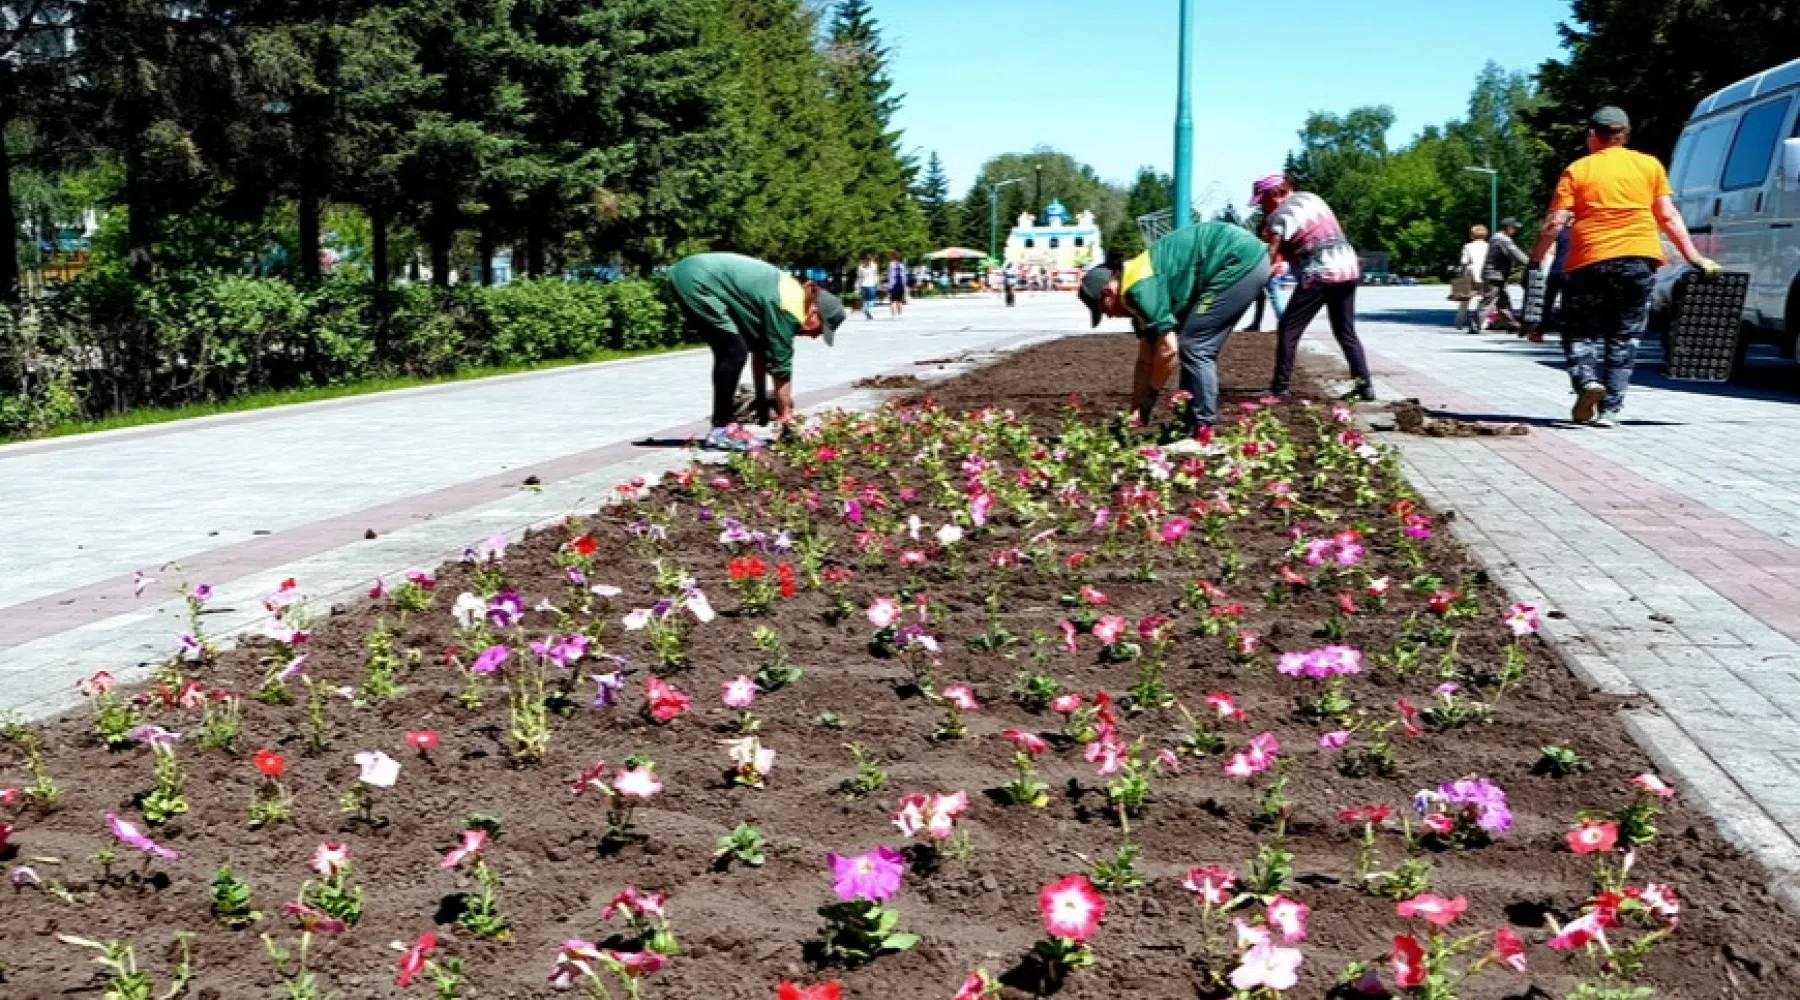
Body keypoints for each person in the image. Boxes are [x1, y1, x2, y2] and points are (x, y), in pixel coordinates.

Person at [1528, 106, 1719, 427]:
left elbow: (1555, 222)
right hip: (1638, 260)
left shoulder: (1577, 169)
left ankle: (1587, 382)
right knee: (1625, 335)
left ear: (1591, 135)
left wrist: (1536, 260)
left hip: (1588, 261)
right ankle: (1611, 410)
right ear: (1625, 135)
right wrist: (1695, 257)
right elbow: (1668, 216)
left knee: (1579, 331)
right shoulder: (1649, 166)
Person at [1077, 220, 1271, 439]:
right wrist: (1137, 410)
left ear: (1108, 292)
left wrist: (1150, 397)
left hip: (1238, 261)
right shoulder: (1135, 289)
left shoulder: (1139, 289)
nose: (1110, 316)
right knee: (1193, 343)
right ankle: (1189, 425)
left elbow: (1169, 351)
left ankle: (1203, 433)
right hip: (1241, 259)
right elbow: (1145, 360)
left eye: (1104, 310)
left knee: (1196, 347)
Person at [667, 252, 847, 451]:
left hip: (695, 273)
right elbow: (781, 370)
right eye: (819, 330)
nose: (814, 336)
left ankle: (723, 424)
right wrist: (786, 417)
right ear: (814, 312)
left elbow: (761, 355)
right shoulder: (789, 308)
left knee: (734, 350)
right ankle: (721, 429)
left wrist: (761, 404)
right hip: (698, 280)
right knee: (733, 352)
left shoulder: (790, 297)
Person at [1252, 173, 1373, 401]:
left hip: (1321, 272)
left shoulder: (1281, 214)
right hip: (1348, 267)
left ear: (1275, 194)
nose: (1262, 208)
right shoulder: (1312, 198)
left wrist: (1256, 274)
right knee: (1345, 331)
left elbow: (1270, 253)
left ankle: (1280, 388)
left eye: (1262, 201)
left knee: (1289, 328)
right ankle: (1364, 386)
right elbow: (1307, 239)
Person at [1476, 218, 1529, 332]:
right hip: (1494, 274)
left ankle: (1512, 324)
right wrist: (1531, 263)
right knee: (1490, 300)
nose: (1515, 230)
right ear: (1508, 228)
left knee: (1503, 300)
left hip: (1497, 274)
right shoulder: (1502, 239)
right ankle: (1476, 324)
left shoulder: (1499, 238)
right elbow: (1516, 253)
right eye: (1514, 227)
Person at [1453, 224, 1489, 332]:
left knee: (1465, 299)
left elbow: (1464, 261)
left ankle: (1459, 321)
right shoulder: (1489, 246)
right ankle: (1482, 322)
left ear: (1472, 235)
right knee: (1486, 299)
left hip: (1471, 274)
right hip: (1485, 274)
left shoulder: (1467, 246)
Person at [856, 255, 880, 321]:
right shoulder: (861, 267)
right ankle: (867, 313)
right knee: (866, 300)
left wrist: (877, 282)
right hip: (864, 285)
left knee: (871, 301)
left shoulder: (874, 265)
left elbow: (876, 274)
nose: (869, 261)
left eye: (869, 259)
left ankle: (865, 310)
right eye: (867, 259)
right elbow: (859, 277)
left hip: (871, 284)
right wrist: (858, 286)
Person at [886, 252, 908, 318]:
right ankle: (900, 314)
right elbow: (904, 276)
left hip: (893, 284)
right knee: (899, 300)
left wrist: (888, 286)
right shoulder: (902, 265)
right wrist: (904, 284)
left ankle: (893, 315)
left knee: (892, 300)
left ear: (893, 257)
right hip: (901, 284)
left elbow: (889, 276)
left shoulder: (890, 265)